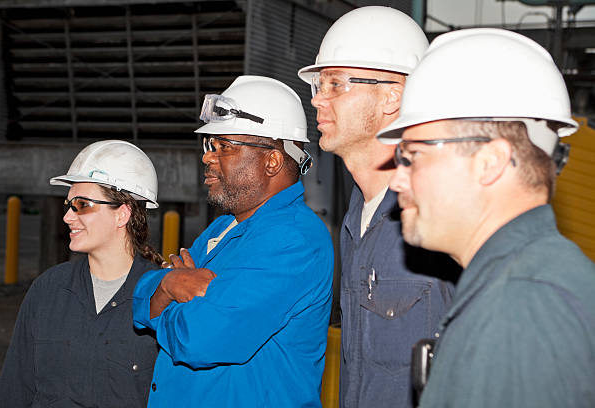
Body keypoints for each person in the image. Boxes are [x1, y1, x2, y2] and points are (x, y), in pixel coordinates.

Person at [379, 28, 595, 407]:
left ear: (490, 163)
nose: (397, 179)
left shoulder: (521, 306)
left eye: (411, 156)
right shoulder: (527, 282)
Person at [132, 75, 334, 407]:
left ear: (272, 160)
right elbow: (141, 297)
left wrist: (166, 293)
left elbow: (200, 338)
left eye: (223, 146)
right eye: (208, 145)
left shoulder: (294, 240)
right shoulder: (222, 228)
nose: (207, 158)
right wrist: (169, 283)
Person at [297, 6, 457, 407]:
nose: (317, 101)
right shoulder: (357, 217)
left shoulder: (441, 217)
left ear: (392, 97)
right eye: (319, 85)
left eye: (335, 85)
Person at [0, 140, 163, 408]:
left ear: (122, 214)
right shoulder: (48, 290)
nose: (67, 217)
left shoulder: (161, 297)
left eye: (82, 204)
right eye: (69, 204)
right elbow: (14, 391)